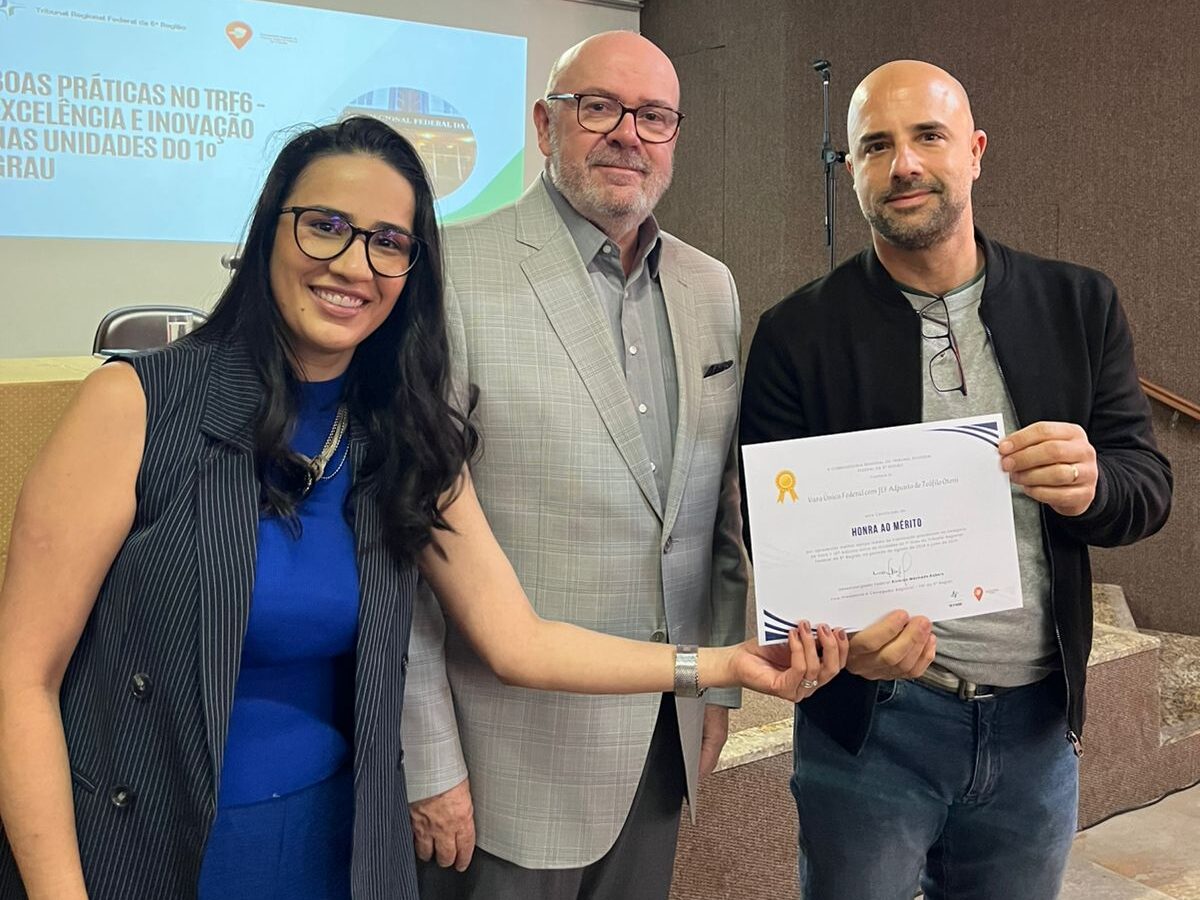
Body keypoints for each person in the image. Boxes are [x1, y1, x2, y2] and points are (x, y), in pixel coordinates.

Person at [0, 117, 847, 900]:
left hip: (340, 844)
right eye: (324, 225)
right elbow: (20, 678)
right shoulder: (137, 404)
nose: (353, 264)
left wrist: (723, 666)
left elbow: (520, 640)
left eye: (388, 243)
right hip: (147, 841)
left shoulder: (400, 436)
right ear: (269, 232)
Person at [740, 59, 1174, 900]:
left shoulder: (1078, 305)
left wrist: (1094, 488)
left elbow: (1145, 485)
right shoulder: (797, 333)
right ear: (854, 172)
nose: (903, 163)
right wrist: (845, 645)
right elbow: (776, 532)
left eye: (927, 136)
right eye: (875, 146)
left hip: (1038, 725)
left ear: (974, 152)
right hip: (874, 726)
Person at [403, 30, 777, 900]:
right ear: (544, 124)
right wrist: (424, 757)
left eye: (653, 116)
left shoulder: (709, 286)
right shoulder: (449, 272)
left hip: (661, 738)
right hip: (502, 764)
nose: (627, 135)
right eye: (598, 107)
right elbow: (402, 541)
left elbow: (713, 517)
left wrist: (715, 693)